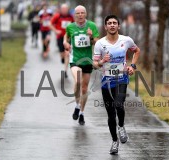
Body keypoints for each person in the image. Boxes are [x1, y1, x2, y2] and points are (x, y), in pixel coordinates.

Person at [93, 15, 140, 154]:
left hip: (122, 78)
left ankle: (121, 126)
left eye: (114, 23)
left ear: (118, 26)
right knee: (110, 114)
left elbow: (137, 50)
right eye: (109, 23)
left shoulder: (126, 40)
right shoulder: (100, 44)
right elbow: (95, 64)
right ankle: (114, 141)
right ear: (105, 27)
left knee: (119, 104)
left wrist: (133, 66)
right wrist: (102, 62)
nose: (112, 25)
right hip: (106, 81)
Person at [63, 5, 99, 125]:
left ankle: (81, 112)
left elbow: (97, 43)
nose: (80, 15)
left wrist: (91, 37)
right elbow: (66, 36)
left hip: (87, 60)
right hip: (75, 59)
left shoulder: (92, 26)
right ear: (75, 15)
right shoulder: (70, 27)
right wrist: (65, 43)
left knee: (84, 89)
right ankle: (77, 105)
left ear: (86, 14)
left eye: (82, 13)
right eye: (78, 13)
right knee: (77, 80)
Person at [50, 4, 74, 77]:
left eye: (65, 9)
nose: (64, 11)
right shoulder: (57, 16)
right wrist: (56, 31)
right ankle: (62, 58)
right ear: (61, 10)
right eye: (63, 9)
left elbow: (74, 25)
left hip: (68, 37)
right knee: (62, 54)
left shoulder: (71, 16)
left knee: (67, 53)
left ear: (67, 9)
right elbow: (50, 24)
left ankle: (65, 71)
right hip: (60, 37)